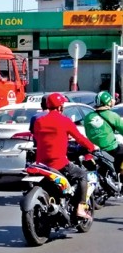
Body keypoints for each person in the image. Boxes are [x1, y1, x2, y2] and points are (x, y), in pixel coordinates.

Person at [32, 92, 96, 220]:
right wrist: (92, 147)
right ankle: (81, 208)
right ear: (61, 107)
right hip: (59, 163)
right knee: (82, 175)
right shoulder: (65, 121)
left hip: (41, 164)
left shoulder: (38, 121)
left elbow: (38, 138)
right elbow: (80, 138)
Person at [84, 91, 123, 176]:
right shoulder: (112, 115)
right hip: (110, 149)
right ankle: (120, 174)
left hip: (93, 150)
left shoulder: (88, 117)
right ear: (108, 102)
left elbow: (87, 133)